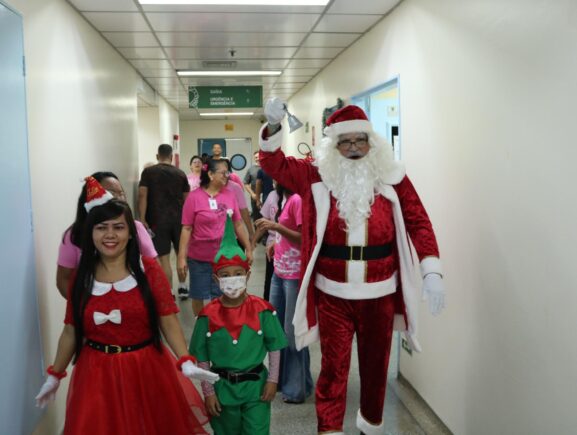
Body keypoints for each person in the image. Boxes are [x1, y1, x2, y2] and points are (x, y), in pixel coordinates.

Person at [259, 98, 446, 435]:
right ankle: (330, 429)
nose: (354, 148)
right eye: (346, 142)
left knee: (376, 370)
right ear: (334, 145)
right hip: (333, 295)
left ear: (372, 142)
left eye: (361, 140)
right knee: (333, 370)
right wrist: (273, 127)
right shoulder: (317, 174)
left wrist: (431, 269)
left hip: (381, 293)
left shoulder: (392, 176)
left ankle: (370, 426)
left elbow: (418, 220)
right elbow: (275, 165)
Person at [35, 178, 218, 434]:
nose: (110, 235)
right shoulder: (82, 277)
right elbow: (71, 330)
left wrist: (185, 359)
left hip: (146, 369)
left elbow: (168, 320)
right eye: (101, 228)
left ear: (131, 232)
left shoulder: (149, 271)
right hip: (95, 373)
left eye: (118, 227)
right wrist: (55, 374)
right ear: (91, 233)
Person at [189, 215, 288, 435]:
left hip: (257, 389)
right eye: (225, 275)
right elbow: (202, 358)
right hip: (222, 389)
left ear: (248, 275)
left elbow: (275, 348)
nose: (232, 279)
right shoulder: (207, 316)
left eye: (238, 274)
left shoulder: (263, 310)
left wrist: (273, 380)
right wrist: (208, 392)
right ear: (216, 279)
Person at [56, 171, 157, 298]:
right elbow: (63, 279)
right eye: (112, 193)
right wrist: (84, 307)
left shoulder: (136, 228)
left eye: (121, 193)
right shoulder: (74, 235)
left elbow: (155, 272)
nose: (119, 198)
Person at [255, 185, 313, 404]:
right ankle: (295, 381)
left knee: (292, 333)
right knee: (276, 330)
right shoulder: (282, 198)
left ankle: (295, 389)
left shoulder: (297, 198)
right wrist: (273, 244)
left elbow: (303, 238)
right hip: (279, 272)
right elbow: (284, 237)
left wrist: (276, 227)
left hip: (293, 276)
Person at [177, 158, 253, 316]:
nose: (227, 176)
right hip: (198, 257)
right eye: (223, 173)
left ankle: (220, 324)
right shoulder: (194, 197)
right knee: (198, 295)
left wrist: (248, 248)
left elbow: (238, 224)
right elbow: (186, 228)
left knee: (221, 294)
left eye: (228, 172)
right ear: (210, 174)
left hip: (223, 257)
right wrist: (181, 258)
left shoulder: (229, 195)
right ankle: (202, 324)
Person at [138, 144, 190, 299]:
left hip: (157, 220)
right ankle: (183, 287)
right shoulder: (180, 173)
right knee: (181, 253)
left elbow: (142, 195)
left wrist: (142, 219)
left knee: (164, 257)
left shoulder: (148, 172)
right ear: (171, 156)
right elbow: (188, 199)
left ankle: (169, 293)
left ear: (157, 156)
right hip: (179, 219)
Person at [244, 151, 261, 220]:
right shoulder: (251, 170)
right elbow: (246, 183)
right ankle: (257, 230)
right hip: (255, 197)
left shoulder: (268, 168)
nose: (258, 158)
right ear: (254, 159)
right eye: (256, 157)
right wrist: (252, 194)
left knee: (268, 218)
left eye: (259, 156)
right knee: (257, 218)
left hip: (266, 197)